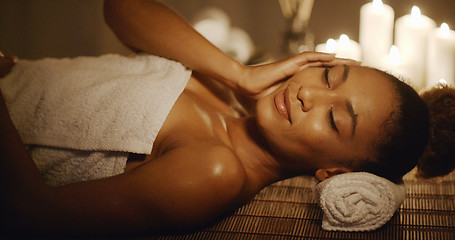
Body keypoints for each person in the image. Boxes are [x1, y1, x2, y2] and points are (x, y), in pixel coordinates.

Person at [1, 0, 454, 237]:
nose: (307, 94)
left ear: (335, 171)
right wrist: (237, 74)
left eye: (336, 122)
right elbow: (121, 9)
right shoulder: (228, 92)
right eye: (329, 75)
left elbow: (31, 213)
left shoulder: (215, 171)